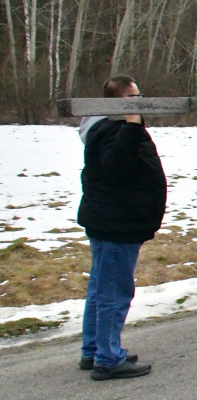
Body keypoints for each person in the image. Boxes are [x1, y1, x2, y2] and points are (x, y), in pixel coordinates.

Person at [78, 75, 165, 380]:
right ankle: (108, 357)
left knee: (102, 287)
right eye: (135, 97)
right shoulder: (112, 129)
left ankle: (95, 348)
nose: (140, 102)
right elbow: (117, 166)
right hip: (116, 223)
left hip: (113, 220)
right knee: (113, 291)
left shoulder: (108, 127)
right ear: (122, 102)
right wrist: (130, 125)